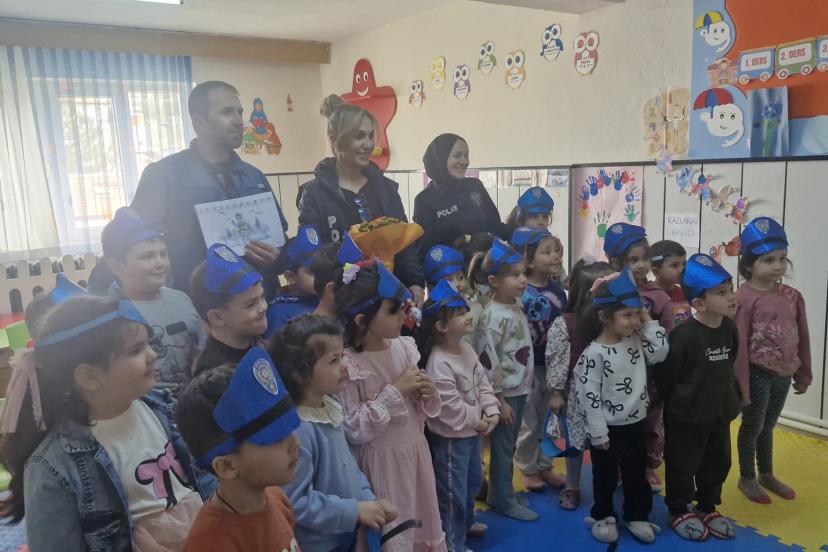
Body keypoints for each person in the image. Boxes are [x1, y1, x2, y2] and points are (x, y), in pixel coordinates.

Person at [0, 296, 214, 551]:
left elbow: (205, 479)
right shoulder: (53, 467)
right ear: (89, 376)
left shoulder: (164, 409)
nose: (153, 355)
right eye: (135, 350)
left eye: (148, 344)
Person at [131, 80, 287, 292]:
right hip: (199, 301)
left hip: (260, 299)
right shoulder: (164, 174)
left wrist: (277, 257)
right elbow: (138, 244)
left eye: (239, 112)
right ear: (199, 123)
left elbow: (281, 240)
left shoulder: (254, 177)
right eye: (226, 112)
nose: (238, 121)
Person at [334, 259, 446, 551]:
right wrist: (395, 392)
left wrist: (427, 393)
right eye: (393, 310)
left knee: (422, 524)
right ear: (361, 320)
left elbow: (422, 410)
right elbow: (353, 429)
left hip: (415, 453)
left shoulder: (404, 347)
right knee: (394, 535)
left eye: (403, 308)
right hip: (380, 466)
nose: (402, 316)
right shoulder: (348, 364)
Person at [272, 314, 398, 552]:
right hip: (319, 545)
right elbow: (295, 502)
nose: (345, 366)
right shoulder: (299, 430)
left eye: (342, 356)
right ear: (300, 373)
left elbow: (349, 466)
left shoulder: (330, 406)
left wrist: (369, 501)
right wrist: (354, 511)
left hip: (344, 533)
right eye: (333, 360)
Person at [571, 268, 668, 544]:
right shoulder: (595, 353)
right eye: (627, 315)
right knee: (604, 476)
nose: (634, 320)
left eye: (637, 313)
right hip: (607, 428)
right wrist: (598, 432)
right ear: (605, 317)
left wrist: (647, 320)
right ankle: (603, 515)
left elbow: (660, 353)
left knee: (636, 472)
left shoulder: (636, 338)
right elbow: (589, 396)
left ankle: (637, 515)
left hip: (635, 422)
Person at [298, 94, 424, 304]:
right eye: (359, 136)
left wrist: (414, 281)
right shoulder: (314, 193)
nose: (368, 144)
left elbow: (403, 241)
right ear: (335, 139)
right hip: (344, 298)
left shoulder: (386, 189)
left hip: (388, 296)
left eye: (371, 136)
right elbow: (313, 254)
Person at [175, 348, 301, 551]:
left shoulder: (277, 498)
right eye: (276, 438)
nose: (295, 443)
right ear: (227, 466)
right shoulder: (211, 545)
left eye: (289, 430)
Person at [656, 253, 740, 541]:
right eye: (722, 293)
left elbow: (730, 363)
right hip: (686, 417)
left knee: (718, 463)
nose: (731, 297)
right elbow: (667, 376)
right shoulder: (684, 336)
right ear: (699, 303)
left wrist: (731, 399)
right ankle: (679, 509)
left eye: (730, 289)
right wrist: (679, 405)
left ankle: (706, 506)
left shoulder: (729, 328)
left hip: (719, 413)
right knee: (682, 465)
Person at [734, 217, 811, 504]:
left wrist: (804, 373)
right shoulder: (742, 298)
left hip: (783, 373)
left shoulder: (792, 297)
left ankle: (766, 473)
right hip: (757, 372)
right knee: (752, 426)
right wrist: (741, 386)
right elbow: (739, 347)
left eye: (782, 259)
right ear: (749, 264)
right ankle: (747, 476)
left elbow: (802, 335)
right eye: (769, 260)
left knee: (769, 425)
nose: (778, 266)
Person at [420, 280, 500, 552]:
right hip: (452, 440)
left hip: (472, 433)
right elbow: (449, 407)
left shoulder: (466, 348)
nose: (467, 316)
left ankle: (466, 521)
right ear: (441, 327)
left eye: (465, 310)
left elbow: (482, 383)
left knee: (472, 482)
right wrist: (479, 420)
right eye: (458, 314)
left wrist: (492, 409)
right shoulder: (439, 362)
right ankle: (453, 544)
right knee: (452, 493)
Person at [102, 207, 204, 394]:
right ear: (117, 266)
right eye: (147, 257)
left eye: (163, 254)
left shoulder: (182, 300)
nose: (160, 263)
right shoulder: (109, 314)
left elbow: (201, 352)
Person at [546, 257, 614, 510]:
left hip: (609, 394)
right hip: (577, 396)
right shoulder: (566, 324)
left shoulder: (613, 323)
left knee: (605, 443)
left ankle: (604, 488)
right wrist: (556, 393)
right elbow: (556, 361)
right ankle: (572, 485)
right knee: (575, 445)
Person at [477, 239, 537, 522]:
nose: (523, 280)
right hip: (505, 394)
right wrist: (499, 400)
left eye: (523, 273)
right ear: (494, 281)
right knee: (502, 449)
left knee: (508, 446)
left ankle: (501, 492)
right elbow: (488, 361)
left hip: (519, 387)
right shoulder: (492, 317)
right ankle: (502, 498)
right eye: (515, 275)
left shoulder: (514, 304)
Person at [603, 222, 663, 492]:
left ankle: (648, 465)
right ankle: (616, 466)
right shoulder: (606, 292)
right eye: (633, 260)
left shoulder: (657, 295)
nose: (642, 265)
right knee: (615, 421)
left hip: (648, 373)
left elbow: (666, 334)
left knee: (649, 421)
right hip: (615, 371)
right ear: (615, 262)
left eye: (645, 258)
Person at [510, 227, 567, 492]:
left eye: (557, 250)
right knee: (529, 420)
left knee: (549, 419)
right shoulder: (521, 292)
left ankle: (546, 464)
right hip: (528, 366)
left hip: (553, 365)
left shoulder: (558, 291)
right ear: (530, 261)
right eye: (547, 252)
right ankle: (527, 468)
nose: (555, 256)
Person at [414, 133, 509, 256]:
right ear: (440, 158)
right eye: (457, 155)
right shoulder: (424, 200)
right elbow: (424, 250)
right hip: (451, 267)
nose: (465, 161)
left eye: (466, 155)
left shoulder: (475, 186)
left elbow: (495, 226)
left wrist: (521, 231)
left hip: (488, 263)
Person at [190, 244, 267, 376]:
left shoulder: (260, 344)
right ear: (218, 317)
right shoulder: (214, 376)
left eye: (263, 297)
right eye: (250, 304)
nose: (263, 307)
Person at [265, 225, 323, 338]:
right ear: (290, 277)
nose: (321, 276)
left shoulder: (325, 297)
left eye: (323, 268)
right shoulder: (278, 313)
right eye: (312, 272)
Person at [643, 240, 691, 329]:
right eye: (675, 265)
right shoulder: (649, 297)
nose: (682, 269)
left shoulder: (683, 291)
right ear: (656, 271)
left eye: (684, 264)